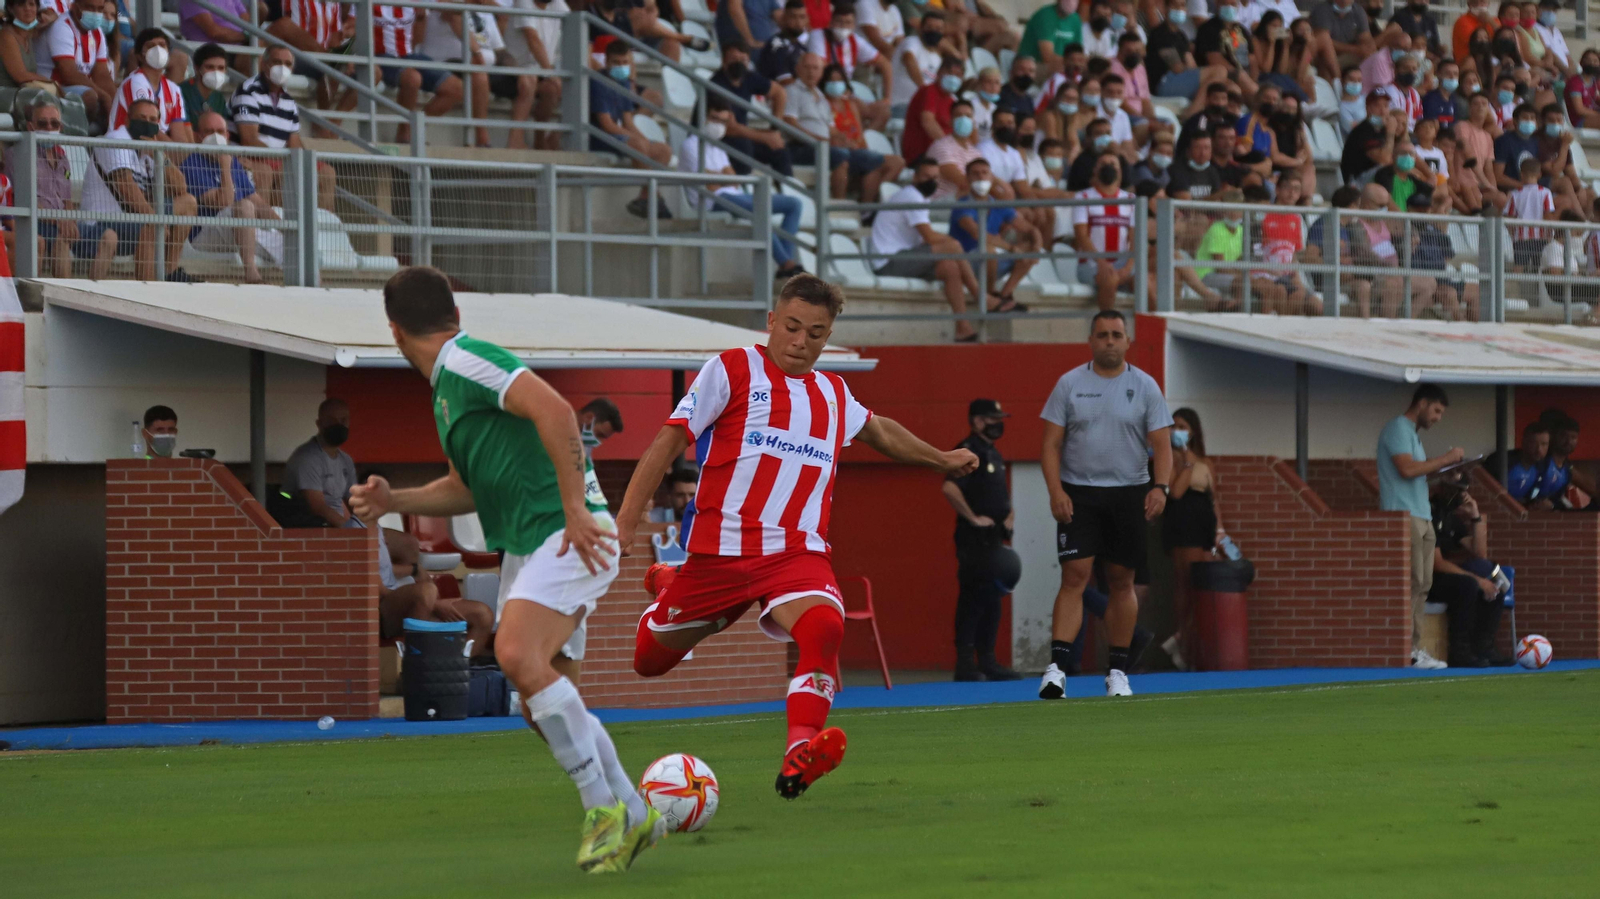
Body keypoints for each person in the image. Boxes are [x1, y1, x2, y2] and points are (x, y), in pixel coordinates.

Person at [348, 267, 664, 873]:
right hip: (533, 543)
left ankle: (604, 812)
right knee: (537, 697)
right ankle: (634, 806)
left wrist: (575, 507)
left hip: (568, 532)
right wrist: (396, 502)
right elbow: (464, 489)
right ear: (454, 313)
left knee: (516, 654)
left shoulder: (465, 361)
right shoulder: (449, 387)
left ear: (393, 331)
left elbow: (557, 411)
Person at [617, 275, 980, 798]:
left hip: (795, 553)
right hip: (719, 556)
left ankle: (798, 752)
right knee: (648, 662)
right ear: (771, 322)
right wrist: (627, 520)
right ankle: (669, 583)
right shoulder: (733, 368)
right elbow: (668, 440)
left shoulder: (833, 392)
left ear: (827, 335)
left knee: (825, 627)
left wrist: (942, 458)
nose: (800, 341)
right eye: (791, 327)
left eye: (815, 332)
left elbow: (878, 430)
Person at [1038, 310, 1172, 699]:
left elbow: (1162, 443)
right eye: (1102, 335)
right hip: (1079, 493)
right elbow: (1050, 444)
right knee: (1075, 576)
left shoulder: (1145, 386)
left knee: (1121, 580)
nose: (1109, 341)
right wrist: (1055, 491)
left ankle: (1117, 670)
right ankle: (1056, 671)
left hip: (1129, 493)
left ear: (1127, 341)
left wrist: (1159, 487)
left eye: (1116, 334)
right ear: (1091, 340)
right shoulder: (1069, 384)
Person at [1377, 384, 1464, 671]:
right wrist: (1445, 459)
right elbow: (1407, 469)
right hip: (1405, 515)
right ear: (1423, 403)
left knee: (1423, 584)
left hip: (1422, 514)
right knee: (1412, 583)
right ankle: (1407, 650)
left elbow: (1418, 472)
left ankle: (1413, 648)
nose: (1438, 418)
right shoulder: (1398, 428)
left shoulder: (1412, 435)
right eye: (1437, 410)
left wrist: (1445, 473)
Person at [680, 97, 808, 280]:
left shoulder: (717, 147)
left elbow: (734, 180)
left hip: (733, 195)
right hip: (710, 200)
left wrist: (720, 176)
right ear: (701, 118)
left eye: (724, 121)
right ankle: (787, 264)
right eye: (714, 119)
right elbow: (711, 185)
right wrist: (724, 177)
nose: (719, 126)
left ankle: (785, 265)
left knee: (794, 204)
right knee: (760, 207)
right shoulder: (690, 145)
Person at [942, 398, 1022, 682]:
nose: (998, 424)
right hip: (974, 540)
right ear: (977, 421)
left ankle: (987, 659)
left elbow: (998, 494)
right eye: (992, 418)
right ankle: (965, 662)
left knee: (993, 598)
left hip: (995, 539)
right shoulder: (967, 451)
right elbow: (950, 487)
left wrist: (1009, 513)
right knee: (973, 598)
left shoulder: (993, 453)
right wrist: (974, 518)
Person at [80, 98, 199, 283]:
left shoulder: (150, 145)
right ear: (128, 120)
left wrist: (159, 155)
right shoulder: (116, 140)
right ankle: (148, 289)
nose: (147, 124)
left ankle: (169, 271)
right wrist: (156, 220)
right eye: (142, 118)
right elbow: (126, 189)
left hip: (132, 222)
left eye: (153, 120)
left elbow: (180, 187)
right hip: (102, 221)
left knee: (188, 202)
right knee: (151, 226)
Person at [870, 157, 988, 341]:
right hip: (889, 261)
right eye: (926, 176)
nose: (931, 181)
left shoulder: (918, 197)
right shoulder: (911, 195)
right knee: (953, 246)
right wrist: (951, 243)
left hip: (904, 257)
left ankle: (962, 327)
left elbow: (927, 238)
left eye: (935, 177)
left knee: (950, 267)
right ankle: (980, 294)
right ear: (915, 177)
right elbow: (930, 237)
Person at [230, 43, 336, 212]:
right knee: (268, 172)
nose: (282, 68)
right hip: (249, 159)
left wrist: (305, 163)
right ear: (264, 64)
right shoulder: (248, 92)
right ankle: (265, 231)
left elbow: (294, 143)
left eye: (287, 64)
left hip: (276, 160)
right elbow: (249, 141)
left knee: (327, 173)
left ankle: (321, 230)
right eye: (277, 62)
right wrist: (283, 162)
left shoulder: (289, 102)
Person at [1160, 407, 1223, 672]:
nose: (1177, 431)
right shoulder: (1171, 458)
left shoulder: (1207, 462)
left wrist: (1220, 532)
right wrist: (1185, 460)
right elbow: (1175, 491)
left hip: (1204, 526)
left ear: (1193, 430)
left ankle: (1186, 639)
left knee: (1204, 585)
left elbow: (1214, 499)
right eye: (1173, 426)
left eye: (1182, 426)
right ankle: (1181, 638)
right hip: (1182, 525)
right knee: (1185, 583)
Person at [182, 110, 275, 283]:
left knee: (288, 233)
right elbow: (222, 203)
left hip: (239, 230)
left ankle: (311, 284)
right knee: (245, 207)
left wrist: (285, 227)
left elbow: (259, 203)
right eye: (209, 132)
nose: (216, 137)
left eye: (220, 132)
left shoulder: (234, 163)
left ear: (227, 134)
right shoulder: (192, 164)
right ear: (197, 137)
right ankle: (251, 273)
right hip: (205, 234)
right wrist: (225, 167)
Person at [3, 96, 87, 278]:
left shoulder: (63, 157)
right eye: (43, 123)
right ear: (30, 126)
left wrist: (70, 222)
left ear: (61, 127)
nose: (49, 128)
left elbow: (67, 200)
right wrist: (60, 222)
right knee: (60, 239)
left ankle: (71, 297)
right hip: (32, 222)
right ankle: (35, 298)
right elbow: (23, 198)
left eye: (54, 124)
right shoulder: (17, 155)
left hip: (60, 223)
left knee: (106, 235)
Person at [588, 41, 672, 220]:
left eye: (625, 62)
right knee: (639, 144)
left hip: (619, 135)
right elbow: (607, 125)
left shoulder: (625, 83)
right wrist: (639, 141)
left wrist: (645, 141)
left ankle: (645, 196)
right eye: (616, 62)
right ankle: (654, 198)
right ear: (606, 62)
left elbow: (628, 120)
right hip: (600, 137)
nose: (621, 66)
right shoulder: (599, 82)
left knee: (664, 150)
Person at [1428, 484, 1507, 667]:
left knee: (1494, 583)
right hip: (1427, 579)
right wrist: (1477, 580)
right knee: (1468, 586)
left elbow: (1480, 554)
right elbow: (1437, 563)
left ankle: (1484, 648)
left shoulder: (1451, 518)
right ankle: (1459, 651)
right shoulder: (1431, 513)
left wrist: (1476, 516)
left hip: (1446, 576)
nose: (1462, 495)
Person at [950, 158, 1040, 304]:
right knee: (989, 250)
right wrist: (1011, 248)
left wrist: (1036, 247)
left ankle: (1004, 295)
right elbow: (978, 234)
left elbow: (1031, 229)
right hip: (966, 262)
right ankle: (990, 294)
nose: (981, 177)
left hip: (991, 261)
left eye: (985, 173)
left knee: (1029, 249)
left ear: (992, 176)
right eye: (975, 174)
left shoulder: (998, 205)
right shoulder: (963, 206)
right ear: (968, 178)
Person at [821, 62, 905, 201]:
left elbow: (859, 133)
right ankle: (866, 206)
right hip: (839, 152)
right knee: (875, 166)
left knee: (897, 163)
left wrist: (861, 146)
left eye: (839, 80)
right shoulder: (822, 104)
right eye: (831, 80)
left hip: (858, 151)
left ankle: (872, 202)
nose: (835, 84)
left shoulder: (851, 104)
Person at [712, 41, 794, 180]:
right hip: (718, 139)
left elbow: (779, 93)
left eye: (743, 60)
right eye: (733, 59)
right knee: (743, 145)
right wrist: (765, 137)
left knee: (779, 149)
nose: (738, 63)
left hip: (741, 135)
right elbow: (729, 128)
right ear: (723, 61)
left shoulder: (749, 77)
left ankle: (789, 194)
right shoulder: (717, 85)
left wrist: (775, 129)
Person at [805, 3, 891, 128]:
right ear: (831, 22)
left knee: (883, 111)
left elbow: (885, 64)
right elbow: (819, 68)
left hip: (846, 92)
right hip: (823, 90)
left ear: (853, 25)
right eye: (839, 22)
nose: (843, 26)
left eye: (848, 23)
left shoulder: (855, 40)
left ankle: (862, 139)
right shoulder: (818, 36)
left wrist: (887, 97)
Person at [283, 398, 360, 529]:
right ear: (319, 424)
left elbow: (355, 502)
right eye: (331, 421)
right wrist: (351, 532)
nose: (338, 425)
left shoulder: (346, 460)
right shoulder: (307, 457)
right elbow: (318, 507)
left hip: (341, 530)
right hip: (314, 531)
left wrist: (370, 530)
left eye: (343, 420)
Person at [40, 0, 114, 124]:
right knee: (90, 97)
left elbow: (102, 75)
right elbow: (69, 75)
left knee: (116, 96)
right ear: (74, 7)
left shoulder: (97, 32)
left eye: (99, 9)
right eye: (89, 7)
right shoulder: (62, 26)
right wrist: (104, 96)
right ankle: (78, 137)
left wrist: (114, 98)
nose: (95, 13)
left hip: (74, 86)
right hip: (53, 85)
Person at [902, 54, 964, 163]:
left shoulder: (953, 101)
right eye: (949, 73)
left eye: (958, 75)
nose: (953, 78)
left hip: (942, 154)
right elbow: (928, 122)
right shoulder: (929, 91)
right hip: (923, 155)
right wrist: (950, 149)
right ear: (939, 73)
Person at [1504, 156, 1555, 269]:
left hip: (1521, 237)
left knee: (1519, 266)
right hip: (1541, 237)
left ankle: (1514, 287)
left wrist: (1513, 233)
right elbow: (1548, 214)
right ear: (1539, 174)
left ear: (1521, 174)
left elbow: (1509, 217)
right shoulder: (1546, 193)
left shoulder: (1515, 194)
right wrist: (1550, 233)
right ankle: (1538, 287)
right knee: (1540, 267)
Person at [1019, 0, 1085, 76]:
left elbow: (1078, 53)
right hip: (1034, 66)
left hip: (1064, 66)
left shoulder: (1075, 19)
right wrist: (1073, 63)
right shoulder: (1045, 15)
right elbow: (1048, 57)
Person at [1341, 90, 1393, 183]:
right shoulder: (1363, 130)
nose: (1382, 111)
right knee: (1389, 170)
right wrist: (1391, 133)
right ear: (1368, 108)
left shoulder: (1382, 128)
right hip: (1356, 181)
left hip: (1372, 176)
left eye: (1386, 106)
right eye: (1377, 106)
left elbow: (1404, 149)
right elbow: (1384, 159)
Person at [180, 42, 231, 129]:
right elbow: (182, 129)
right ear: (197, 68)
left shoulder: (219, 98)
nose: (216, 72)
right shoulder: (181, 92)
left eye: (221, 68)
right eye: (210, 67)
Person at [1503, 420, 1552, 506]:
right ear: (1523, 442)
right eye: (1533, 443)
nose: (1539, 450)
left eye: (1544, 444)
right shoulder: (1506, 461)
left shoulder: (1542, 467)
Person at [760, 0, 810, 84]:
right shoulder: (776, 44)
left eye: (802, 17)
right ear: (784, 18)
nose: (798, 22)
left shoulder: (802, 48)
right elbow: (784, 81)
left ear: (807, 20)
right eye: (793, 17)